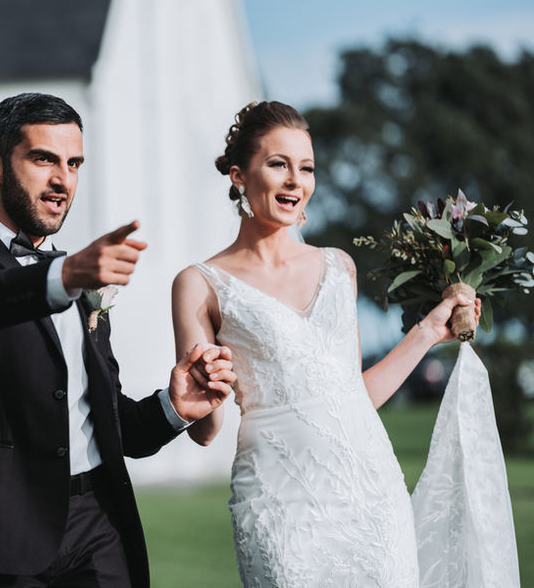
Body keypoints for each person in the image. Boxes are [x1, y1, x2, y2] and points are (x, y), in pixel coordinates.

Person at [0, 92, 236, 588]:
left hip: (99, 523)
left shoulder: (81, 278)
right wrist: (64, 276)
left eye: (74, 163)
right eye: (43, 159)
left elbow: (109, 424)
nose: (62, 180)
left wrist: (174, 406)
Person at [171, 101, 481, 587]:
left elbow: (355, 398)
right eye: (278, 164)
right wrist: (201, 396)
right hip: (279, 504)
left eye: (307, 168)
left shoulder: (339, 267)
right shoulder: (200, 283)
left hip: (372, 496)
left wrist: (429, 331)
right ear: (238, 175)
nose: (296, 180)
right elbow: (204, 430)